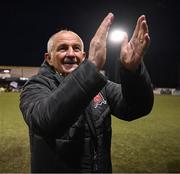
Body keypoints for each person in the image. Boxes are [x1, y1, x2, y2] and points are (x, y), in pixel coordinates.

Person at [20, 13, 154, 173]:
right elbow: (44, 121)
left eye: (76, 49)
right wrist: (90, 69)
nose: (71, 54)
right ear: (49, 58)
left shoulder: (100, 86)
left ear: (83, 56)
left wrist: (132, 72)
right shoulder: (36, 85)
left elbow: (136, 108)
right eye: (62, 48)